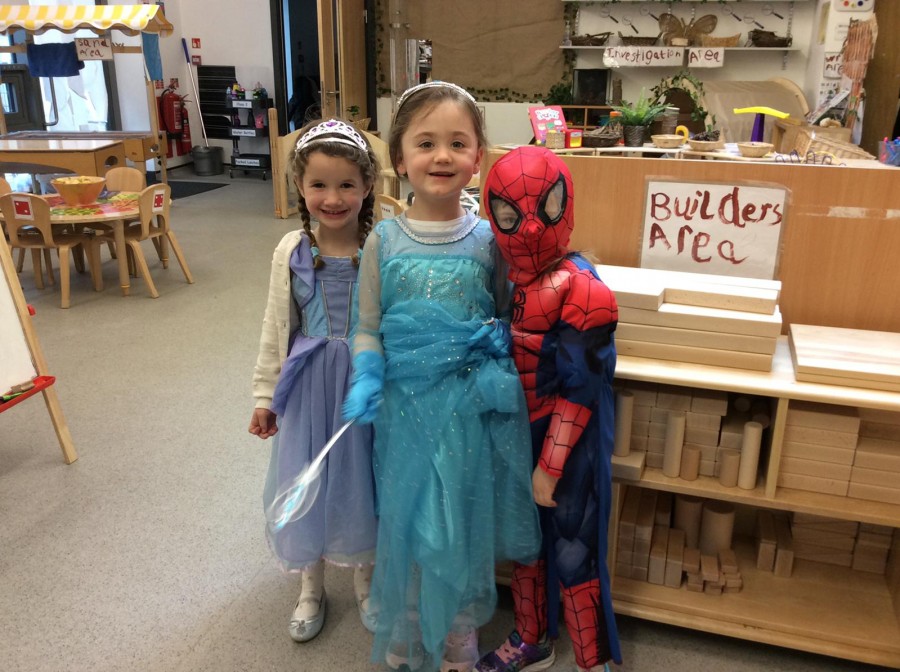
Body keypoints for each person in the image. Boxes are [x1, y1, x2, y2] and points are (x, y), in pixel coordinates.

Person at [342, 82, 541, 672]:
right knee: (406, 517)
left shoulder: (488, 241)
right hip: (402, 410)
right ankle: (408, 628)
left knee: (456, 519)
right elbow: (366, 326)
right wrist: (366, 372)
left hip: (464, 411)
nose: (442, 156)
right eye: (425, 143)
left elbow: (506, 314)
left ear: (478, 158)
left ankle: (458, 633)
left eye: (458, 143)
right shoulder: (382, 241)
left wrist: (498, 340)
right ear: (399, 159)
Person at [476, 146, 622, 672]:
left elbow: (581, 389)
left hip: (569, 439)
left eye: (547, 208)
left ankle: (591, 661)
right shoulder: (501, 273)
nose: (533, 229)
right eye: (511, 215)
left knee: (573, 548)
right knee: (525, 543)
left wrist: (551, 465)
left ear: (567, 204)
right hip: (519, 428)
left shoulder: (583, 287)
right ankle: (531, 637)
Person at [249, 118, 380, 643]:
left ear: (367, 185)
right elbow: (275, 326)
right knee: (309, 478)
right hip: (308, 386)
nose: (333, 197)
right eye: (319, 184)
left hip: (365, 384)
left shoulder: (381, 245)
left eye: (347, 184)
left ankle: (366, 579)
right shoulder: (292, 250)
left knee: (365, 478)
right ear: (300, 187)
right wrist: (265, 396)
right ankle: (310, 585)